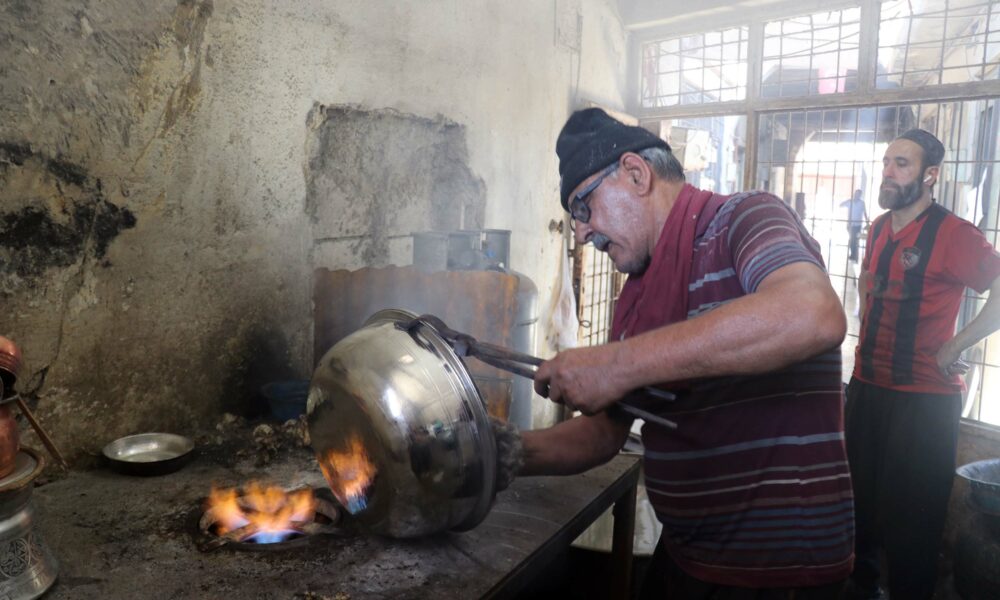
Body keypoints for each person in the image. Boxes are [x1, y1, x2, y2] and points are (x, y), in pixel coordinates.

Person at [516, 108, 855, 598]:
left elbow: (813, 313)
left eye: (584, 208)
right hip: (687, 555)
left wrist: (617, 364)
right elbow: (603, 432)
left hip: (779, 573)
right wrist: (506, 453)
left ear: (636, 174)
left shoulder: (744, 219)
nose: (583, 233)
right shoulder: (637, 297)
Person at [844, 129, 1000, 600]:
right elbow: (867, 285)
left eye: (902, 164)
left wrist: (957, 345)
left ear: (930, 175)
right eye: (886, 162)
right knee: (858, 508)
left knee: (913, 523)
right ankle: (862, 589)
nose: (888, 172)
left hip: (925, 401)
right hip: (867, 387)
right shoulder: (878, 227)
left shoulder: (953, 234)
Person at [840, 190, 868, 262]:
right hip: (850, 224)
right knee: (852, 239)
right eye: (856, 194)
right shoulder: (850, 202)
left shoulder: (862, 203)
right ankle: (853, 254)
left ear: (860, 195)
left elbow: (865, 213)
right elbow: (840, 205)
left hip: (858, 225)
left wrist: (867, 222)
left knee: (854, 240)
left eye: (858, 194)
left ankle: (854, 255)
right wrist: (848, 200)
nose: (857, 195)